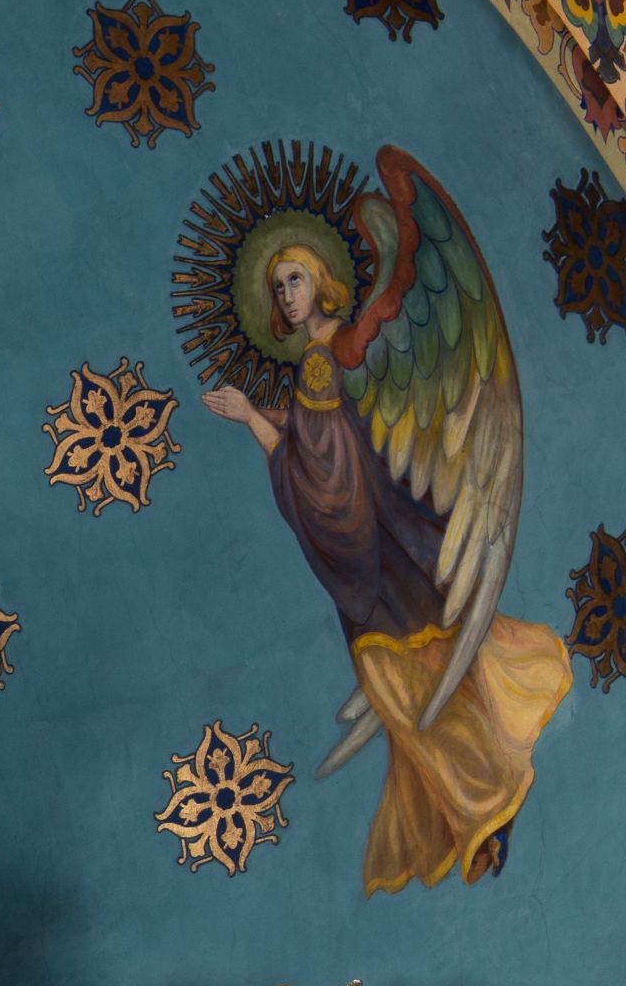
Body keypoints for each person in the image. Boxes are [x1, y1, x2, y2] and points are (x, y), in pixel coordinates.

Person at [201, 215, 568, 893]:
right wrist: (264, 414)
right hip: (393, 547)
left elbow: (323, 480)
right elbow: (322, 428)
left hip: (379, 552)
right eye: (278, 287)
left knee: (405, 687)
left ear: (322, 281)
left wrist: (251, 419)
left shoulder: (327, 357)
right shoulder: (331, 358)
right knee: (418, 686)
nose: (286, 295)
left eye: (295, 279)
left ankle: (487, 801)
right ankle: (480, 806)